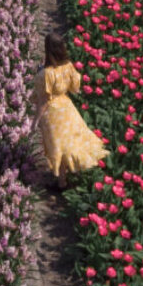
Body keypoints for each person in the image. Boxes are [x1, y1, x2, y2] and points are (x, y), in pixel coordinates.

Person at [31, 33, 109, 189]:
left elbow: (43, 101)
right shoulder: (68, 66)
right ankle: (76, 173)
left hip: (52, 114)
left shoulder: (44, 74)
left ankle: (61, 182)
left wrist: (35, 122)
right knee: (72, 142)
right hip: (67, 109)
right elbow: (75, 88)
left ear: (47, 50)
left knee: (58, 147)